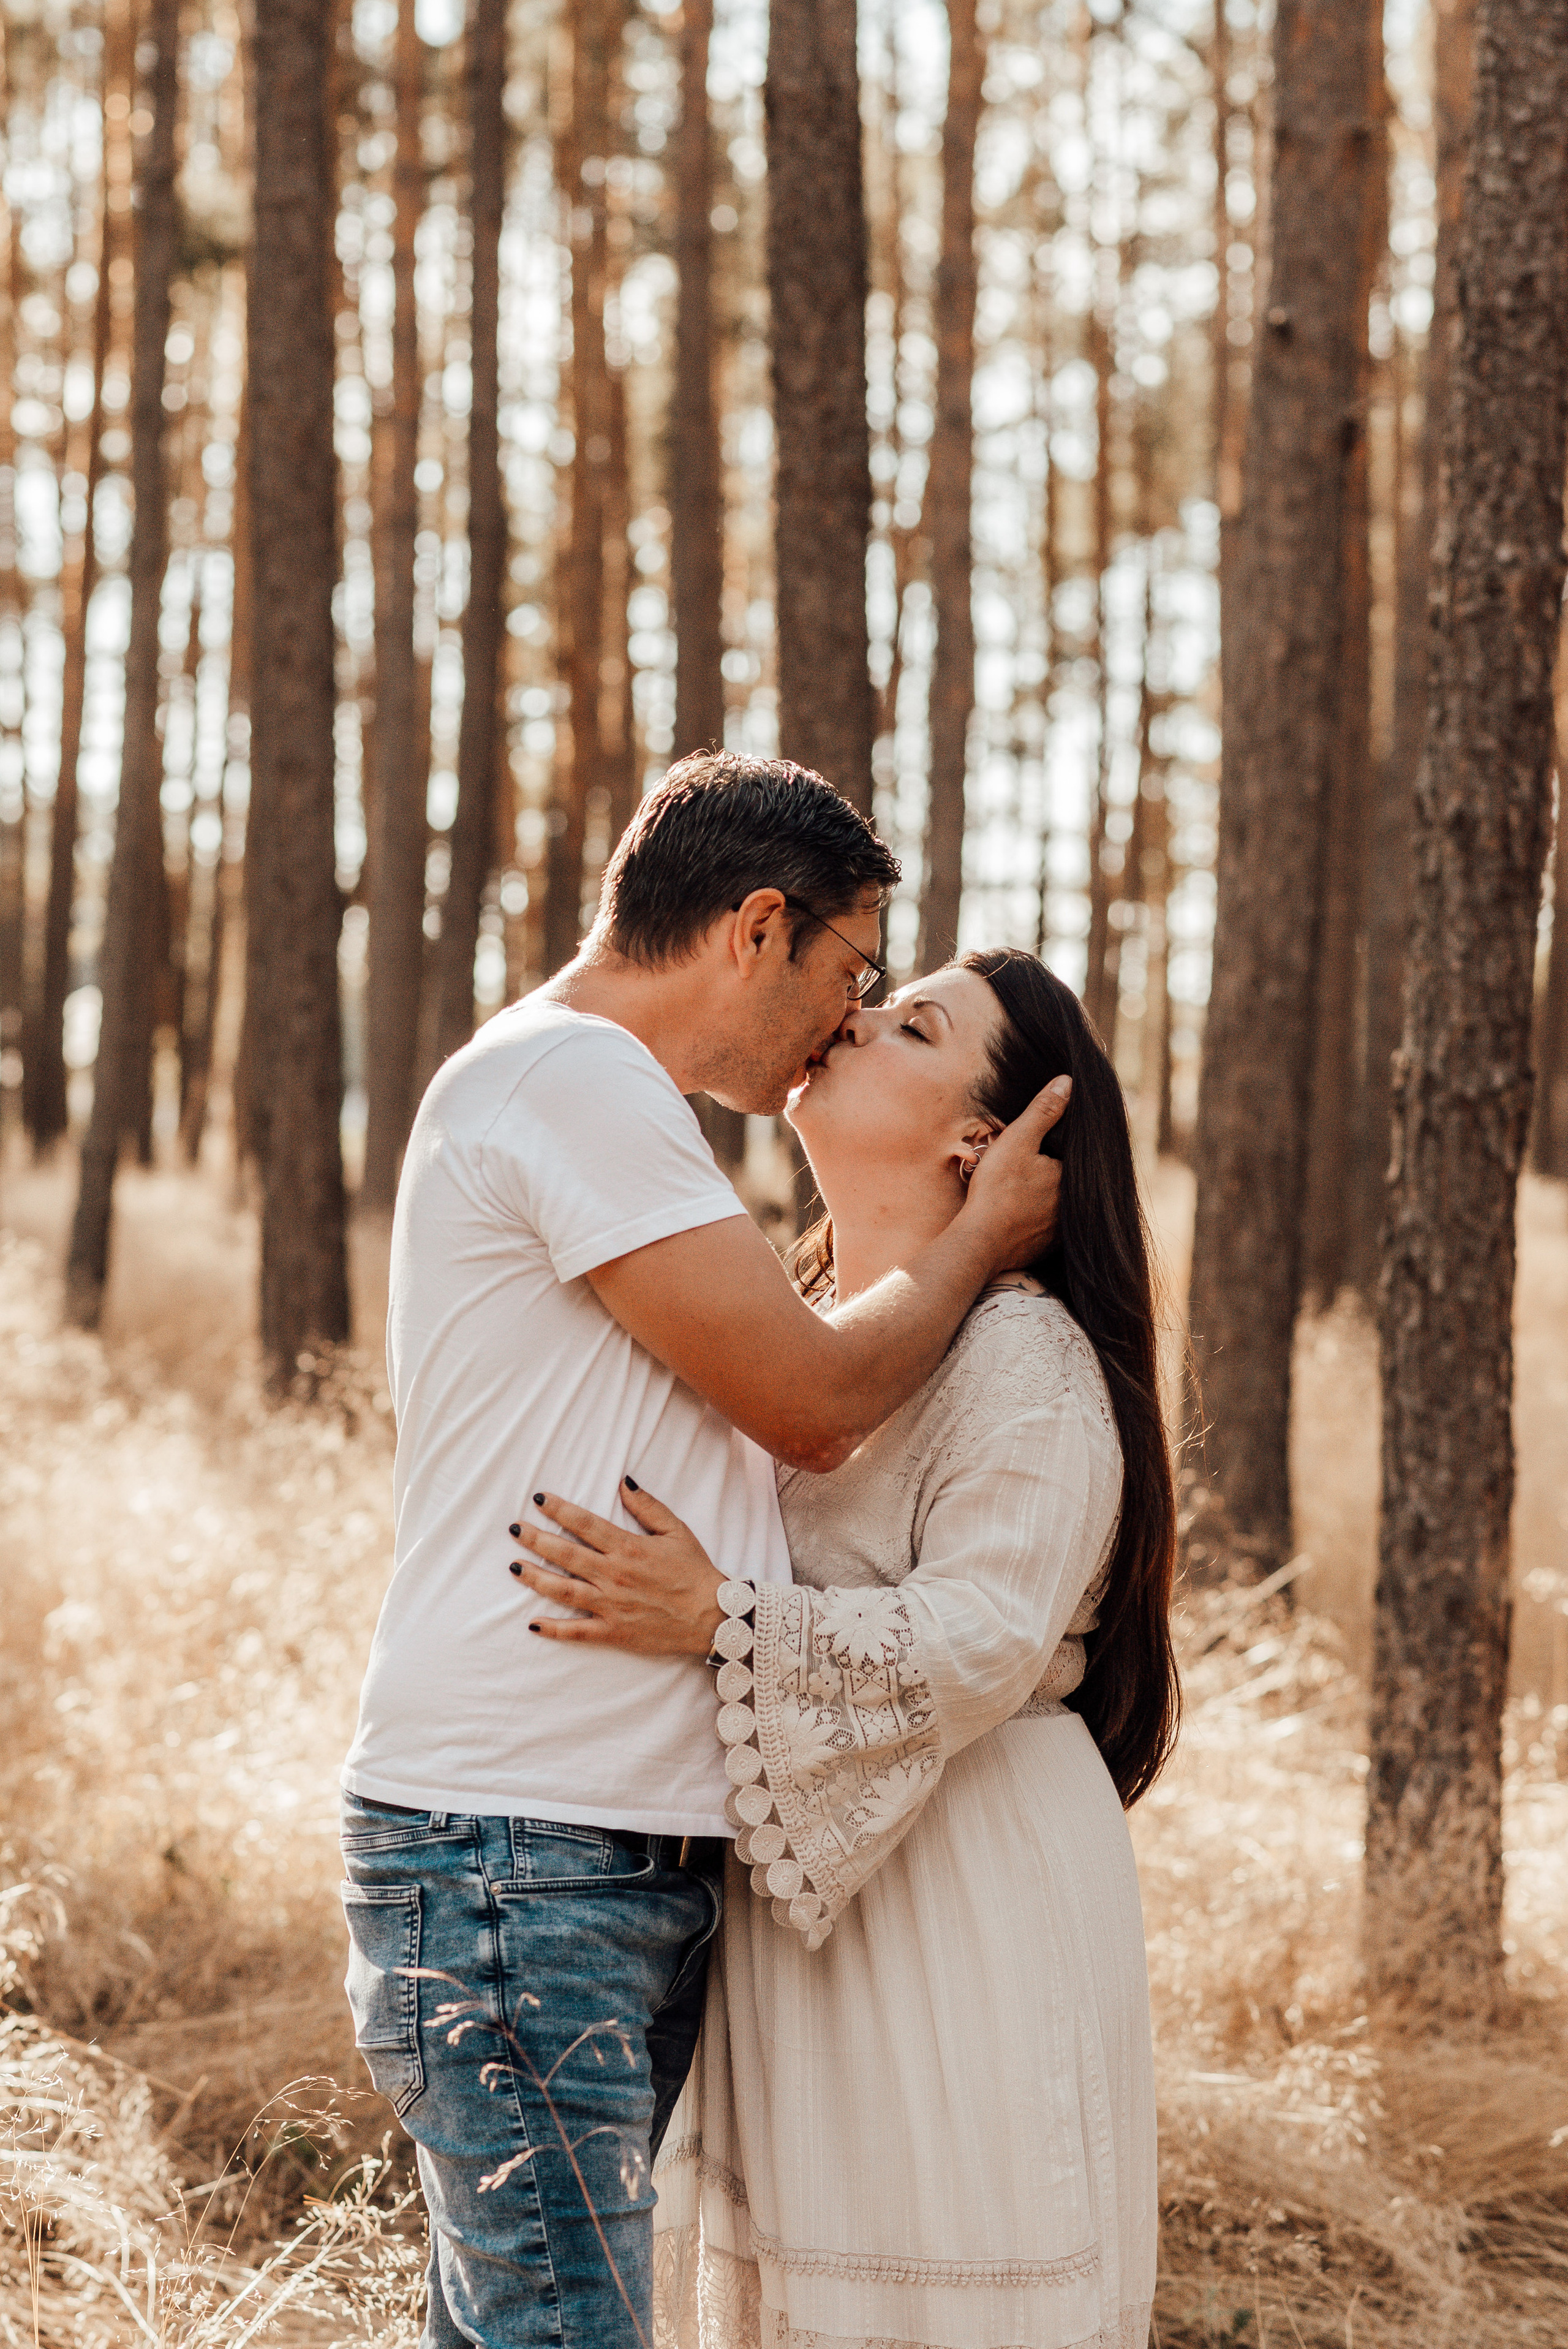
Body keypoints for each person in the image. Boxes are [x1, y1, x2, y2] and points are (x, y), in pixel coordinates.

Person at [338, 756, 1069, 2349]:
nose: (848, 1019)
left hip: (586, 1851)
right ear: (756, 927)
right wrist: (977, 1240)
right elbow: (810, 1406)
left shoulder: (599, 1104)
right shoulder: (571, 1083)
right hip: (518, 1848)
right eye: (851, 972)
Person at [512, 947, 1179, 2349]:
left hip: (960, 1894)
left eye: (911, 1023)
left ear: (977, 1141)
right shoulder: (808, 1340)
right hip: (809, 1902)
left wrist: (716, 1619)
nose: (853, 1019)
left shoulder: (1025, 1359)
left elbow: (984, 1637)